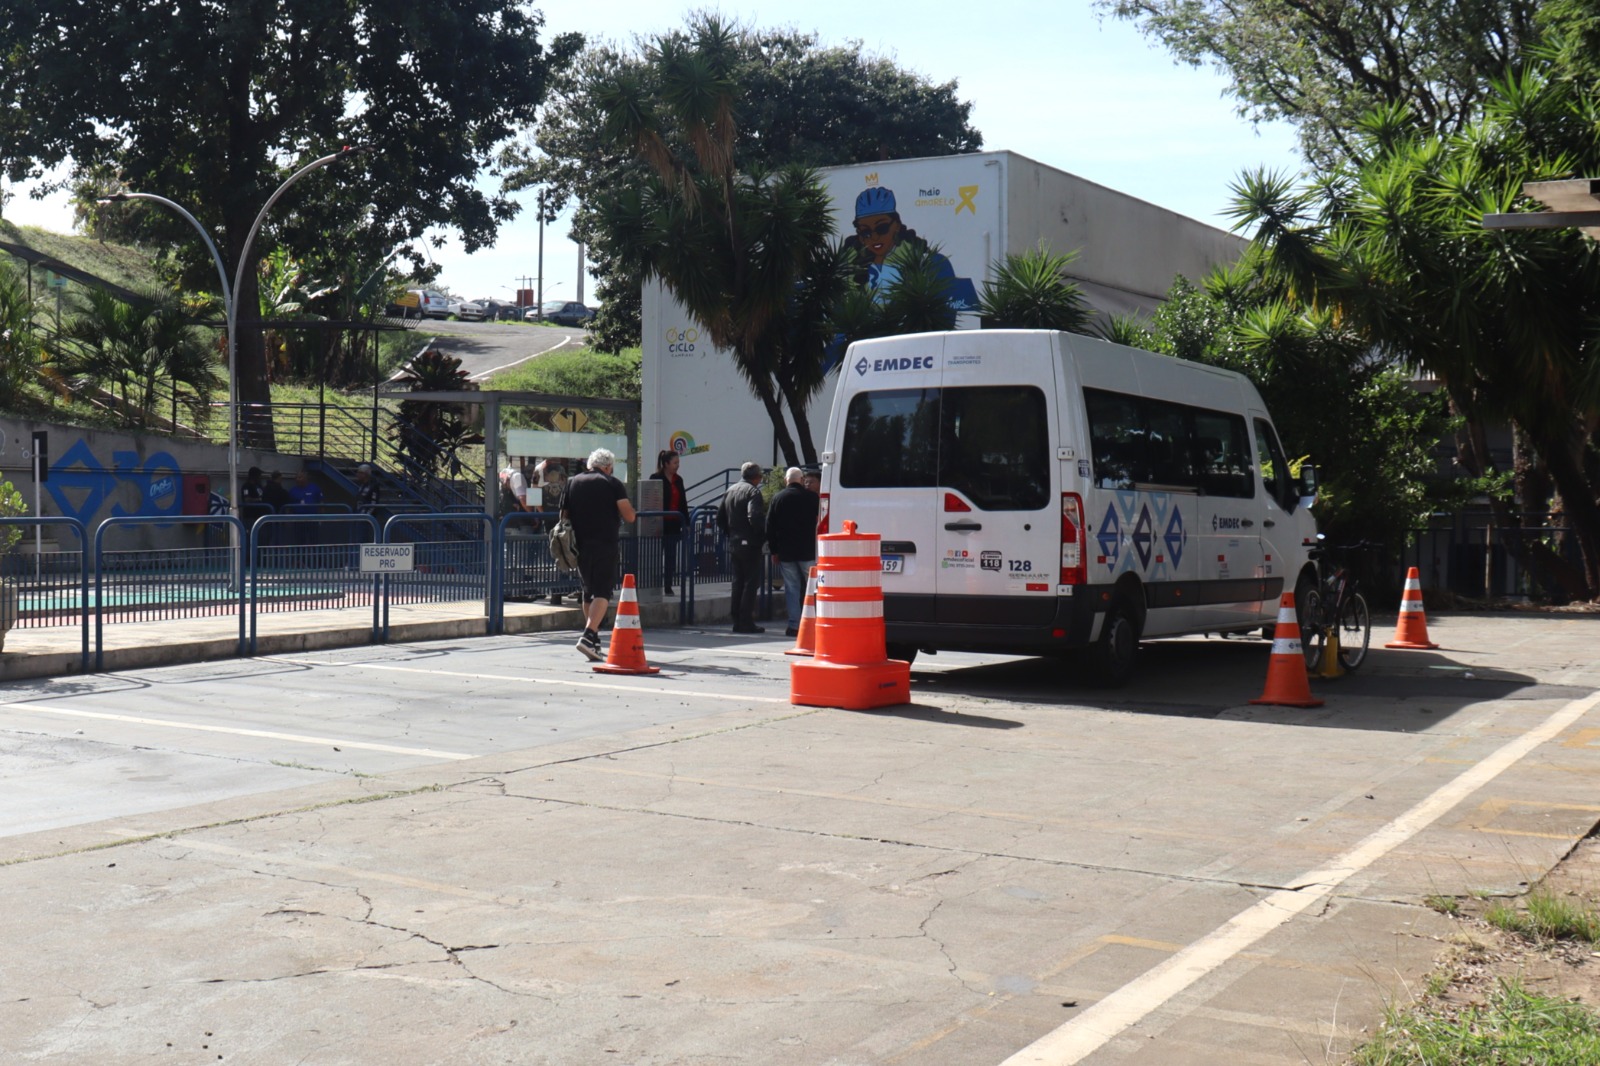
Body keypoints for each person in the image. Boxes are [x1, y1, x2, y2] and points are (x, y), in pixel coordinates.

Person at [561, 447, 637, 661]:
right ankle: (587, 635)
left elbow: (563, 514)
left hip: (580, 544)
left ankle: (593, 638)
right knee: (603, 591)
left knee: (588, 591)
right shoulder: (612, 484)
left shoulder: (573, 482)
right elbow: (629, 516)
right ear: (608, 467)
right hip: (605, 543)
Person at [766, 467, 819, 638]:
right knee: (814, 588)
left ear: (785, 481)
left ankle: (794, 626)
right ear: (801, 479)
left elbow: (770, 526)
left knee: (792, 588)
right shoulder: (812, 498)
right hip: (808, 550)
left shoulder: (778, 498)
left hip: (786, 551)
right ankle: (816, 623)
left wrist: (774, 550)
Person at [717, 461, 767, 634]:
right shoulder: (753, 492)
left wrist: (729, 533)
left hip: (734, 542)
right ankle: (746, 621)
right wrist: (761, 535)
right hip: (750, 542)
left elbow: (720, 518)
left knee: (737, 582)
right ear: (756, 477)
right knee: (750, 583)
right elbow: (754, 516)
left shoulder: (729, 490)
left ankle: (737, 619)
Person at [650, 449, 690, 596]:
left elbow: (683, 502)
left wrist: (686, 522)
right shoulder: (656, 478)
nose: (677, 465)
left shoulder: (678, 480)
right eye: (675, 463)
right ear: (666, 464)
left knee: (671, 557)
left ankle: (668, 585)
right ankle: (653, 584)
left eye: (678, 462)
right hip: (659, 524)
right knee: (655, 555)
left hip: (674, 524)